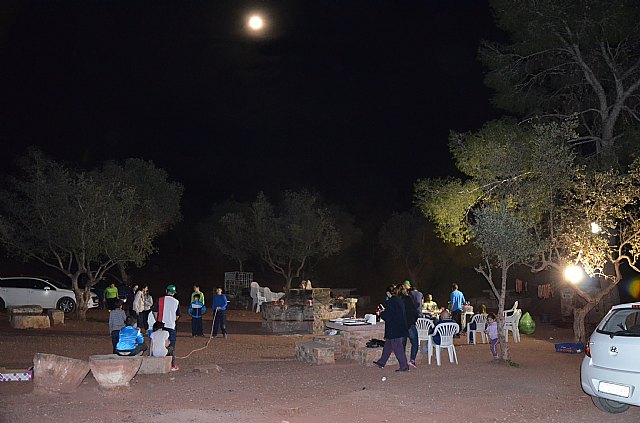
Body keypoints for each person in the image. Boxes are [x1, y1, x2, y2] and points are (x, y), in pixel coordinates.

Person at [373, 285, 409, 372]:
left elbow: (388, 316)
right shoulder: (399, 300)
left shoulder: (391, 302)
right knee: (388, 345)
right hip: (399, 326)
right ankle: (381, 362)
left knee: (397, 347)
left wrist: (381, 313)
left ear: (388, 293)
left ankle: (404, 366)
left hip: (394, 328)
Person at [152, 284, 180, 370]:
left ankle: (156, 364)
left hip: (160, 326)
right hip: (171, 326)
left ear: (166, 291)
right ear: (173, 293)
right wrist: (172, 320)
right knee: (171, 346)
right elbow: (177, 316)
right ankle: (171, 365)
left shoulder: (160, 300)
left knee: (157, 343)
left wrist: (158, 320)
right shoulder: (176, 302)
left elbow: (154, 311)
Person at [399, 284, 420, 368]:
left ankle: (403, 362)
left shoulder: (397, 300)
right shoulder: (408, 299)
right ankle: (412, 360)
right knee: (415, 342)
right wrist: (415, 319)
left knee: (402, 344)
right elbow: (414, 311)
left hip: (402, 325)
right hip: (410, 324)